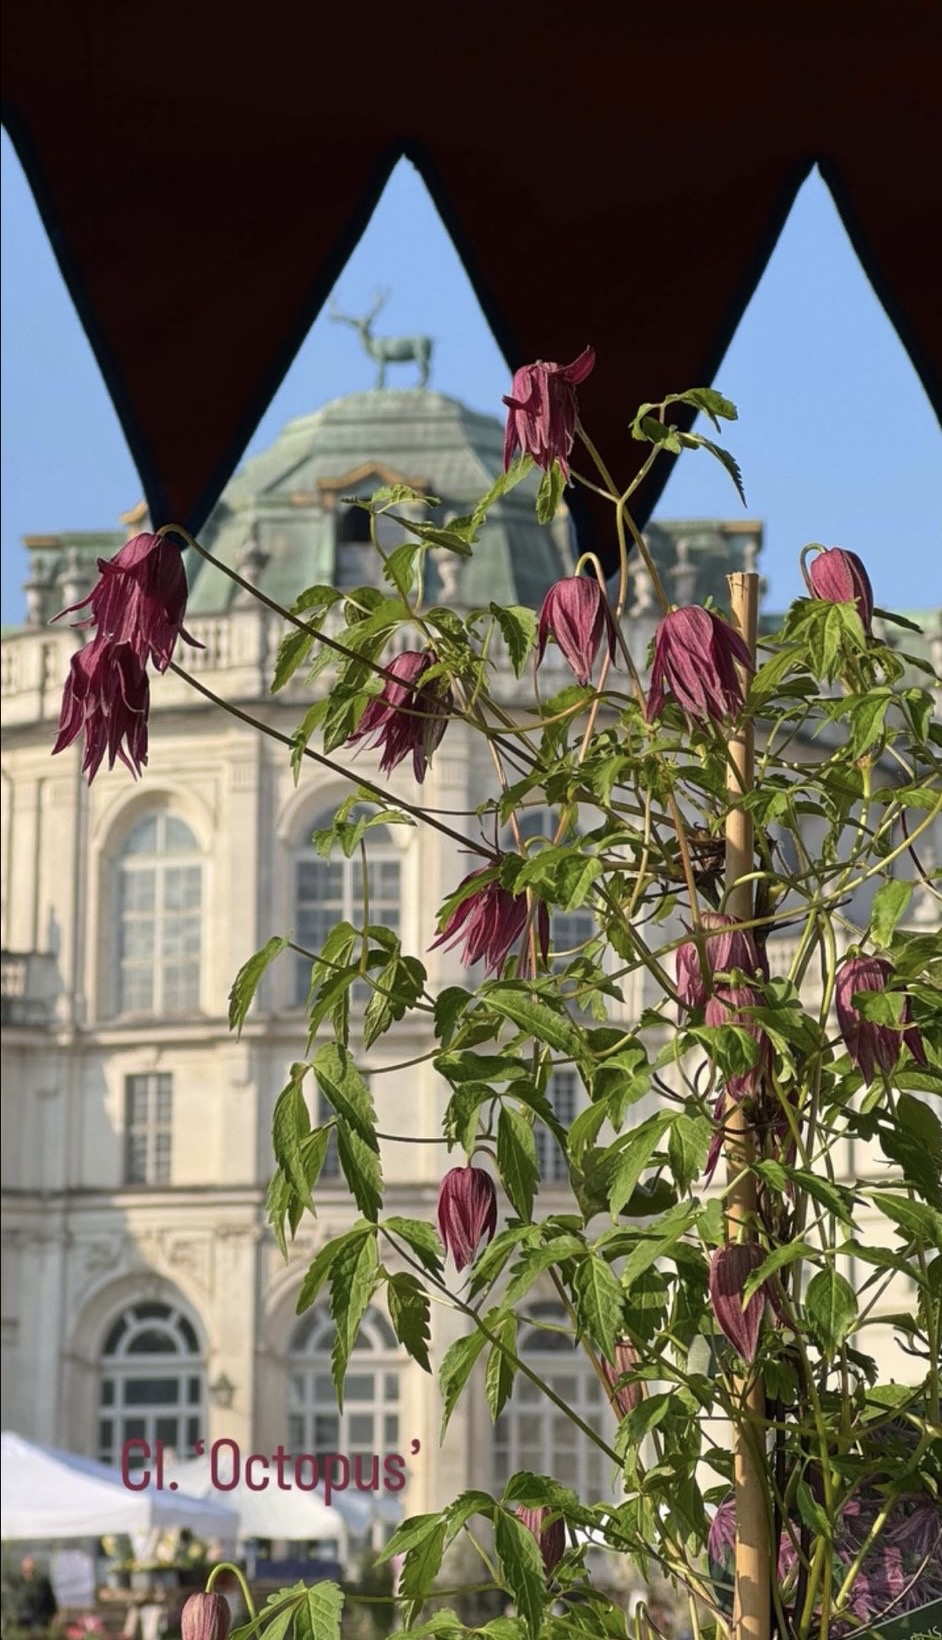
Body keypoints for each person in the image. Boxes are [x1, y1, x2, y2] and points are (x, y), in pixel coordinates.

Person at [10, 1557, 58, 1632]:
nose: (26, 1568)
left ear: (33, 1566)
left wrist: (52, 1615)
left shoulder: (42, 1581)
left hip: (39, 1621)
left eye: (29, 1565)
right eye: (24, 1566)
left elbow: (50, 1599)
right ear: (21, 1567)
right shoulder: (17, 1582)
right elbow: (12, 1600)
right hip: (22, 1622)